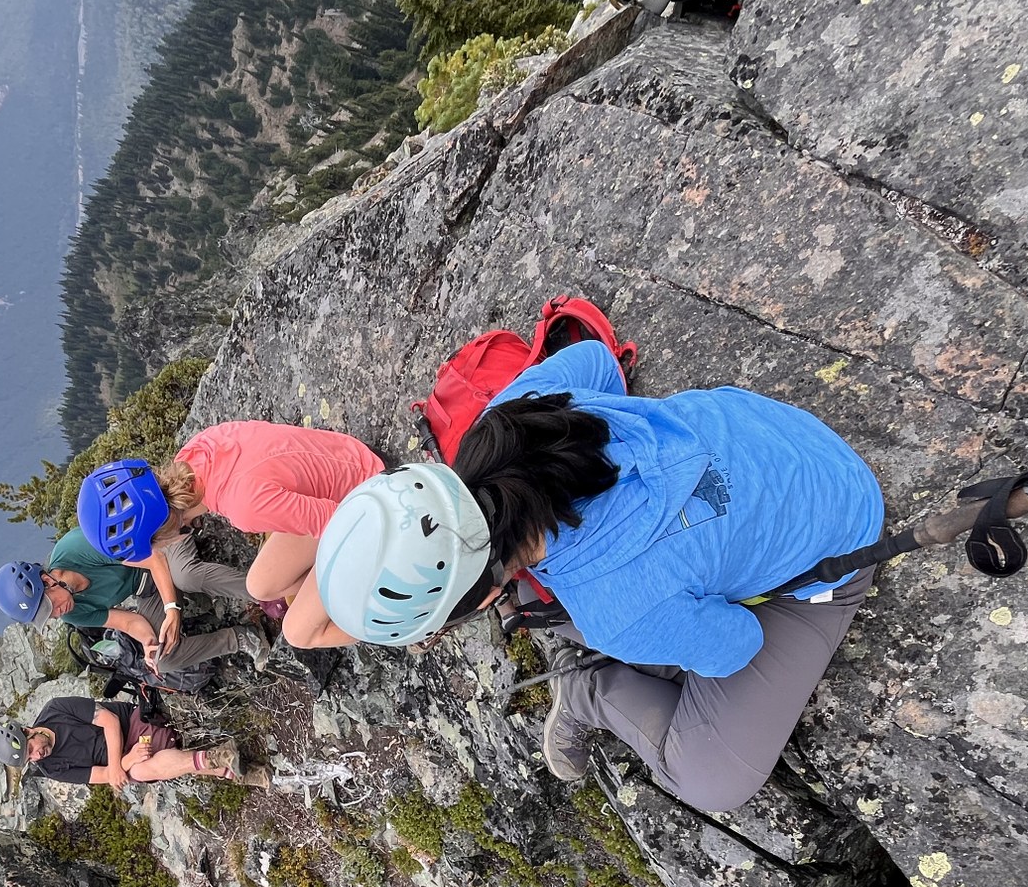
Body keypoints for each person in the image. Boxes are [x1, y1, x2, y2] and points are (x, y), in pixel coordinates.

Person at [316, 338, 883, 813]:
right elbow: (595, 360)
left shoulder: (618, 612)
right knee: (611, 609)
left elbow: (739, 645)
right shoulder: (507, 423)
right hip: (776, 433)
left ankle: (586, 690)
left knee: (711, 778)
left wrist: (654, 615)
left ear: (486, 596)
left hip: (843, 535)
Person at [76, 421, 385, 650]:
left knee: (299, 633)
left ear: (166, 531)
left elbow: (345, 524)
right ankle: (339, 594)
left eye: (155, 546)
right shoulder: (195, 453)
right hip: (346, 462)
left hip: (369, 501)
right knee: (261, 585)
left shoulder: (244, 505)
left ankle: (395, 620)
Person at [0, 524, 271, 675]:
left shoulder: (75, 548)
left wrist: (172, 609)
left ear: (46, 580)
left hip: (161, 544)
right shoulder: (73, 613)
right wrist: (149, 643)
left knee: (186, 576)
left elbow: (153, 558)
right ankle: (241, 638)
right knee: (164, 659)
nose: (57, 613)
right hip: (148, 588)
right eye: (48, 615)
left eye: (50, 606)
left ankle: (267, 588)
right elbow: (127, 622)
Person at [0, 696, 268, 791]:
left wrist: (120, 763)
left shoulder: (56, 709)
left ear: (28, 731)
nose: (37, 756)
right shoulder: (50, 768)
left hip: (132, 724)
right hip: (127, 758)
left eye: (31, 749)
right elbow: (104, 776)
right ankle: (221, 761)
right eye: (30, 759)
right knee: (140, 771)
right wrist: (126, 761)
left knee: (141, 765)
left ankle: (231, 770)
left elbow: (109, 721)